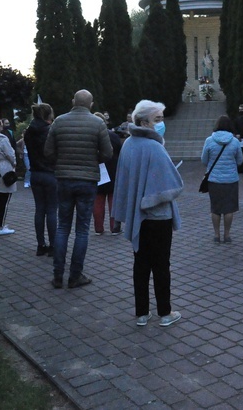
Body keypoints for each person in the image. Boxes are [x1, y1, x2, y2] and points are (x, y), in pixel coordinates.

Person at [112, 100, 184, 328]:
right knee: (161, 265)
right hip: (158, 216)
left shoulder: (128, 145)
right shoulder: (154, 147)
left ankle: (142, 313)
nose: (161, 124)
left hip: (137, 216)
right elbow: (174, 184)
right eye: (158, 120)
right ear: (144, 122)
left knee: (140, 264)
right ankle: (165, 312)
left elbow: (123, 182)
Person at [44, 90, 113, 289]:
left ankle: (58, 275)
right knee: (82, 229)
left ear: (73, 101)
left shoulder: (59, 121)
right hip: (87, 180)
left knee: (62, 227)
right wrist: (92, 160)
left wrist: (62, 162)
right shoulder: (98, 123)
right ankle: (75, 276)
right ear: (91, 105)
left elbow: (48, 151)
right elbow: (108, 153)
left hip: (64, 179)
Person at [201, 115, 243, 243]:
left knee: (216, 208)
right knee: (229, 209)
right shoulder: (235, 141)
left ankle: (216, 235)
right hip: (231, 180)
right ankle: (227, 235)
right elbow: (240, 161)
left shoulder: (209, 140)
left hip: (214, 180)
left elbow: (204, 160)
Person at [24, 103, 57, 257]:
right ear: (48, 114)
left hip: (35, 173)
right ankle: (53, 245)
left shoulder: (29, 132)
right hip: (50, 173)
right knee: (51, 210)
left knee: (39, 209)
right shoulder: (50, 131)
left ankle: (40, 244)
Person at [93, 112, 123, 236]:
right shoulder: (113, 136)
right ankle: (115, 227)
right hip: (113, 171)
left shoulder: (91, 137)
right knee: (113, 200)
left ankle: (99, 228)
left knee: (98, 201)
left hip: (98, 171)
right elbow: (120, 152)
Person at [233, 104, 243, 173]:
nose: (240, 111)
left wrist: (241, 134)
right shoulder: (237, 118)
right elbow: (235, 127)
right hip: (239, 138)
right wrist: (237, 134)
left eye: (242, 109)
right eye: (239, 110)